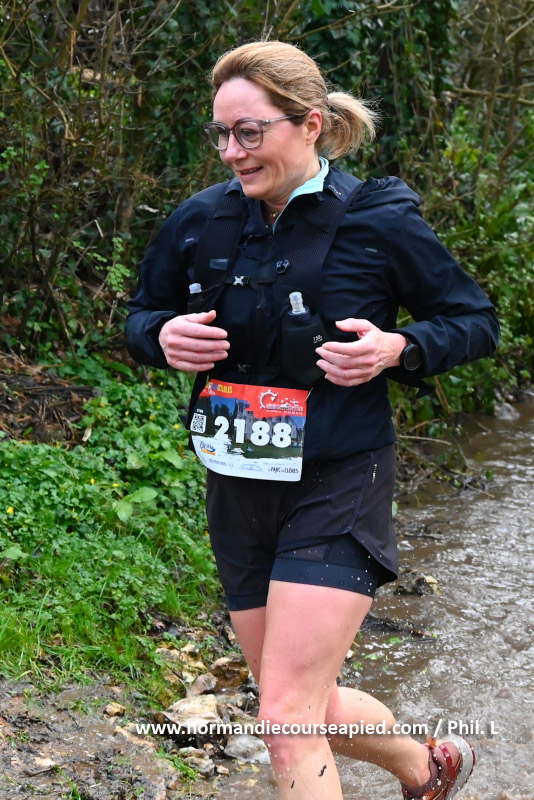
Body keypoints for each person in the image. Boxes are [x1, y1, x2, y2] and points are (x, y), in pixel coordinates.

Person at [126, 40, 499, 800]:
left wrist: (399, 348)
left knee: (285, 716)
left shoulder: (378, 220)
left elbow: (474, 321)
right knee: (294, 701)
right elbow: (141, 316)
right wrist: (159, 337)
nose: (231, 152)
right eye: (221, 134)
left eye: (249, 132)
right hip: (238, 485)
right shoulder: (200, 221)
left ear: (311, 125)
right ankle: (427, 769)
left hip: (339, 477)